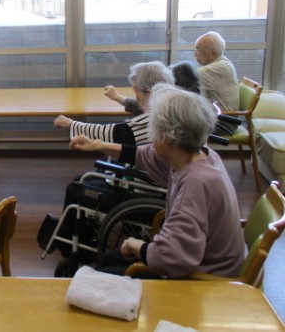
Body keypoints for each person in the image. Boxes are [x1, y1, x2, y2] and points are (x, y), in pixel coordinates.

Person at [69, 84, 245, 279]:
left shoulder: (196, 183)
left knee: (103, 274)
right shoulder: (200, 156)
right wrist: (98, 145)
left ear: (168, 136)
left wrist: (136, 245)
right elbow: (143, 155)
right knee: (110, 259)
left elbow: (172, 258)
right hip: (203, 260)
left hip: (204, 280)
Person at [54, 61, 174, 146]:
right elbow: (143, 106)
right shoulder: (173, 102)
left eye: (136, 91)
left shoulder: (156, 118)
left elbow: (113, 133)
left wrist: (70, 124)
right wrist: (118, 97)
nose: (136, 97)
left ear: (148, 93)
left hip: (150, 171)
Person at [104, 60, 200, 115]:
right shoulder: (193, 103)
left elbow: (144, 107)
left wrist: (117, 97)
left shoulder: (169, 112)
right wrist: (117, 97)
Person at [194, 31, 238, 111]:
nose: (195, 54)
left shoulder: (216, 69)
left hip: (224, 117)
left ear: (213, 53)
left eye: (198, 49)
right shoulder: (224, 61)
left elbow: (189, 76)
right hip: (220, 113)